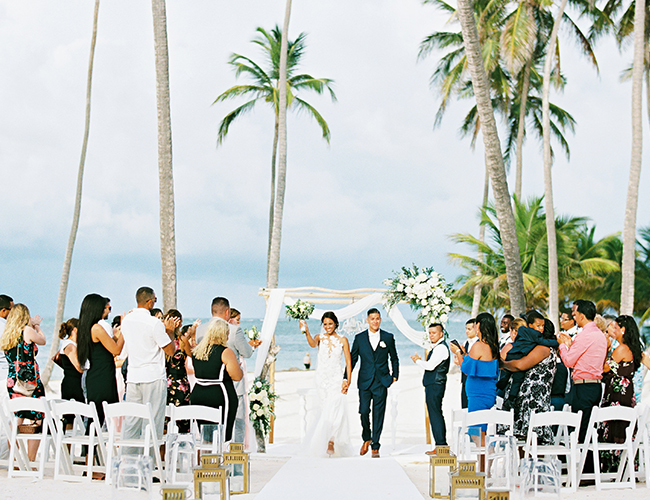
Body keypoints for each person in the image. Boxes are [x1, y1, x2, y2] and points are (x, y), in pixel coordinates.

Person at [196, 297, 261, 444]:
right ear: (227, 312)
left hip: (204, 387)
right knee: (237, 426)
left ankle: (210, 461)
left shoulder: (200, 329)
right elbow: (247, 353)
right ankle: (235, 465)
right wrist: (250, 346)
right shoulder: (234, 329)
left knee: (207, 428)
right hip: (229, 388)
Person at [120, 287, 175, 444]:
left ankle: (128, 462)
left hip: (133, 376)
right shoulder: (154, 323)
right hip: (153, 376)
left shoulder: (127, 321)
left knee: (131, 422)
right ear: (150, 301)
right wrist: (170, 332)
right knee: (153, 422)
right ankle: (148, 462)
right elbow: (170, 350)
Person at [348, 308, 399, 458]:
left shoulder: (388, 337)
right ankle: (367, 438)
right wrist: (347, 378)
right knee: (363, 411)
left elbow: (394, 358)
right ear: (367, 320)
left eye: (378, 318)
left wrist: (394, 376)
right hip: (364, 381)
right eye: (372, 319)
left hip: (381, 382)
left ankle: (375, 446)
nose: (375, 321)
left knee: (379, 414)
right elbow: (353, 359)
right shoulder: (359, 338)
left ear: (380, 320)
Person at [557, 299, 607, 443]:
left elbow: (568, 361)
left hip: (583, 387)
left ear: (582, 316)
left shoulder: (584, 335)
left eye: (575, 314)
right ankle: (590, 464)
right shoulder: (600, 336)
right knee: (589, 428)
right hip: (596, 386)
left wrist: (562, 346)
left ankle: (581, 464)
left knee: (580, 431)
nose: (574, 317)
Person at [0, 303, 46, 461]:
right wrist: (37, 326)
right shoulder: (27, 331)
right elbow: (43, 341)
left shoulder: (7, 333)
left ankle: (15, 458)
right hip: (30, 380)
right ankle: (31, 459)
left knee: (17, 416)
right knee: (37, 418)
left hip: (13, 380)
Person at [500, 318, 558, 443]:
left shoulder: (543, 348)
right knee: (525, 440)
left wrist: (503, 364)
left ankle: (531, 463)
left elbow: (521, 365)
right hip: (532, 399)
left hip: (533, 400)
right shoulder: (542, 347)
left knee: (533, 440)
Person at [598, 315, 643, 472]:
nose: (613, 330)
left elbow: (605, 368)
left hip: (617, 393)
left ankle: (613, 467)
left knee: (614, 424)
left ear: (623, 330)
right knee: (622, 425)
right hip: (626, 392)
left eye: (615, 327)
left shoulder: (621, 349)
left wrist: (607, 347)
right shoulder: (633, 348)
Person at [190, 320, 243, 441]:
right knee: (222, 435)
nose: (228, 337)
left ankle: (207, 457)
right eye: (227, 333)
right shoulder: (225, 352)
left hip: (198, 394)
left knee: (205, 435)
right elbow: (237, 376)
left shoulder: (197, 350)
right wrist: (239, 367)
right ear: (222, 334)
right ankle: (220, 458)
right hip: (219, 395)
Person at [77, 294, 124, 425]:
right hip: (102, 376)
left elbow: (107, 347)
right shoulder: (97, 328)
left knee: (96, 419)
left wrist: (117, 335)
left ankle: (90, 445)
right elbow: (116, 350)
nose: (108, 310)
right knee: (98, 418)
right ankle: (90, 445)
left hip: (97, 374)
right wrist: (124, 328)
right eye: (106, 307)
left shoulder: (87, 327)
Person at [451, 312, 499, 439]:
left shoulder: (479, 345)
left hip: (479, 395)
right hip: (488, 392)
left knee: (476, 433)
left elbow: (466, 368)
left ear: (478, 325)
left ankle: (486, 457)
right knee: (480, 431)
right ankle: (485, 457)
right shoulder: (493, 345)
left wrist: (458, 352)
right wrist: (464, 355)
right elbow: (478, 365)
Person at [411, 323, 450, 454]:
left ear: (441, 334)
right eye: (430, 333)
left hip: (435, 384)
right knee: (435, 413)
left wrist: (417, 361)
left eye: (434, 333)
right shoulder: (438, 348)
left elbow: (430, 366)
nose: (431, 335)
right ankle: (440, 445)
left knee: (435, 414)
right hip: (434, 384)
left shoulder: (440, 349)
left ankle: (441, 445)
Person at [164, 310, 195, 433]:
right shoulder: (181, 340)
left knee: (165, 424)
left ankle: (163, 451)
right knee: (182, 422)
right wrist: (193, 336)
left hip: (164, 383)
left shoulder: (161, 338)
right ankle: (182, 449)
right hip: (180, 383)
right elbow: (194, 355)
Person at [58, 318, 84, 428]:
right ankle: (68, 444)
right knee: (71, 418)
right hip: (73, 384)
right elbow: (79, 367)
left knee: (71, 418)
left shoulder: (71, 344)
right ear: (75, 330)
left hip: (71, 382)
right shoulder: (70, 346)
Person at [459, 318, 478, 409]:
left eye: (469, 329)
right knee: (464, 407)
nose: (467, 331)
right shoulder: (466, 343)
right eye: (466, 329)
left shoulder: (479, 344)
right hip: (464, 379)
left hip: (474, 380)